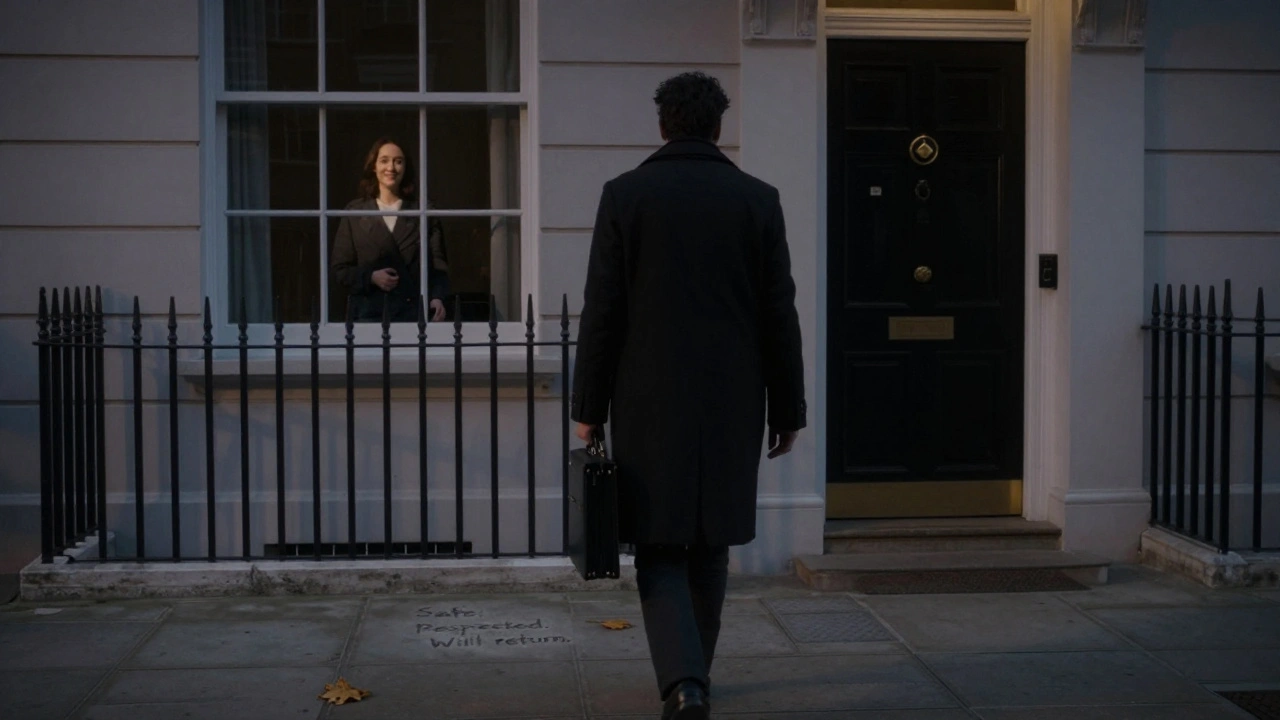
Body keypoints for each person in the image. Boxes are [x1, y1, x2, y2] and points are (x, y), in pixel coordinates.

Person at [571, 71, 806, 720]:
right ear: (717, 127)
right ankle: (693, 676)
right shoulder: (757, 200)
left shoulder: (626, 196)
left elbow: (603, 312)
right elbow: (778, 315)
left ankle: (684, 683)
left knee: (659, 544)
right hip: (733, 403)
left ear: (663, 124)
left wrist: (587, 408)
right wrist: (789, 410)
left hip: (648, 400)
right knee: (710, 544)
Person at [331, 137, 449, 323]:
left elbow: (438, 267)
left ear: (405, 168)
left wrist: (437, 298)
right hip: (369, 317)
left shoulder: (424, 212)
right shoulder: (354, 213)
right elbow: (340, 270)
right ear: (373, 166)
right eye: (384, 160)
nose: (391, 168)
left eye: (398, 161)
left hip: (413, 317)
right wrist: (371, 277)